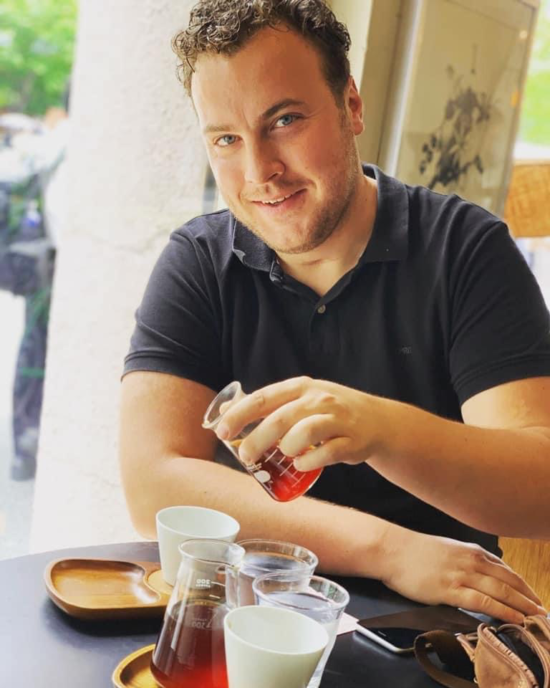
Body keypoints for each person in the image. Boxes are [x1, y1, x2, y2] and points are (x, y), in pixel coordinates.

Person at [119, 0, 550, 622]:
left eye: (286, 120)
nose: (259, 171)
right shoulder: (198, 261)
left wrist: (379, 429)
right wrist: (389, 550)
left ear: (351, 105)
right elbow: (153, 485)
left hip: (431, 629)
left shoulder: (465, 249)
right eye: (226, 139)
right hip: (244, 622)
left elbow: (538, 490)